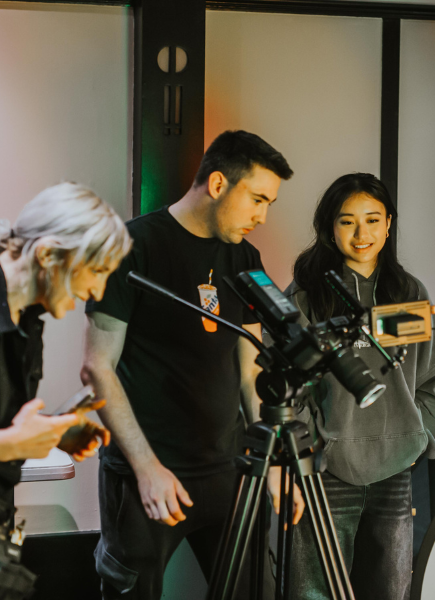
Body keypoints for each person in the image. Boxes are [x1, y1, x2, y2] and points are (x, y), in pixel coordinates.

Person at [82, 130, 301, 600]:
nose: (262, 216)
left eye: (270, 204)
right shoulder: (129, 246)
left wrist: (277, 468)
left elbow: (250, 373)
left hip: (226, 471)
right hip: (146, 474)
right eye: (258, 199)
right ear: (219, 184)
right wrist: (145, 467)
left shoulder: (244, 256)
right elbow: (97, 367)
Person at [285, 173, 435, 600]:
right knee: (313, 592)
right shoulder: (308, 297)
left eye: (373, 220)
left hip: (394, 469)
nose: (362, 234)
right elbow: (288, 382)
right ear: (330, 227)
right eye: (348, 222)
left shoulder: (407, 293)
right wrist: (309, 448)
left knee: (389, 591)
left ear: (389, 224)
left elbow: (434, 377)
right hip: (326, 473)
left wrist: (420, 437)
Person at [0, 181, 131, 593]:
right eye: (95, 272)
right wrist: (14, 444)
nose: (95, 292)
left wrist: (54, 432)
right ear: (48, 254)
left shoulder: (27, 319)